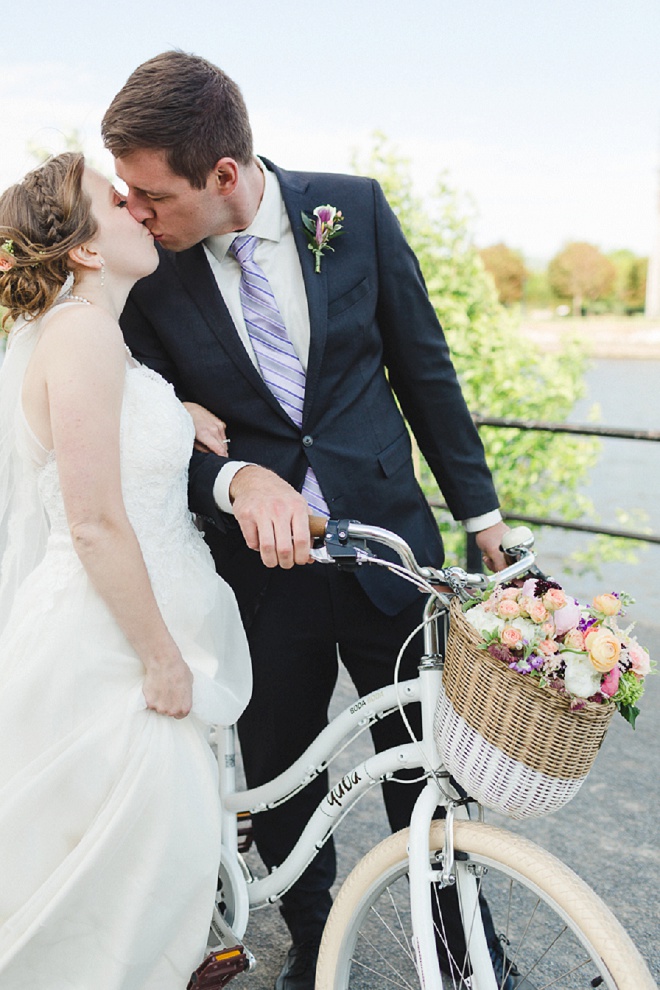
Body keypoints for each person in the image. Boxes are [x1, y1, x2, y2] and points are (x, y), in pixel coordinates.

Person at [102, 52, 514, 990]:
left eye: (151, 193)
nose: (135, 212)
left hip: (391, 551)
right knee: (284, 768)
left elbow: (425, 369)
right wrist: (238, 474)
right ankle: (319, 942)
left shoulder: (354, 209)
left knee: (428, 766)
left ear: (224, 175)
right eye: (125, 194)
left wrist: (481, 515)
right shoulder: (150, 272)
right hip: (258, 574)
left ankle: (463, 953)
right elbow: (144, 420)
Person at [0, 153, 252, 989]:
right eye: (116, 201)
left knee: (139, 896)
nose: (138, 209)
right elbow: (95, 521)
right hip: (108, 650)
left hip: (134, 624)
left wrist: (169, 410)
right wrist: (161, 657)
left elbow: (95, 429)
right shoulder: (80, 332)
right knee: (114, 915)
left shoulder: (91, 335)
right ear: (81, 249)